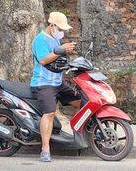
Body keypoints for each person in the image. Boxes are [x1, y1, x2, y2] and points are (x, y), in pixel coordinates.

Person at [30, 11, 81, 163]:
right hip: (43, 83)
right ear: (52, 26)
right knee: (50, 113)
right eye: (60, 29)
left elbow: (59, 61)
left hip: (58, 83)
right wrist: (61, 50)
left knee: (81, 102)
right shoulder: (40, 40)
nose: (62, 32)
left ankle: (78, 135)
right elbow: (44, 60)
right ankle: (45, 149)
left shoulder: (55, 40)